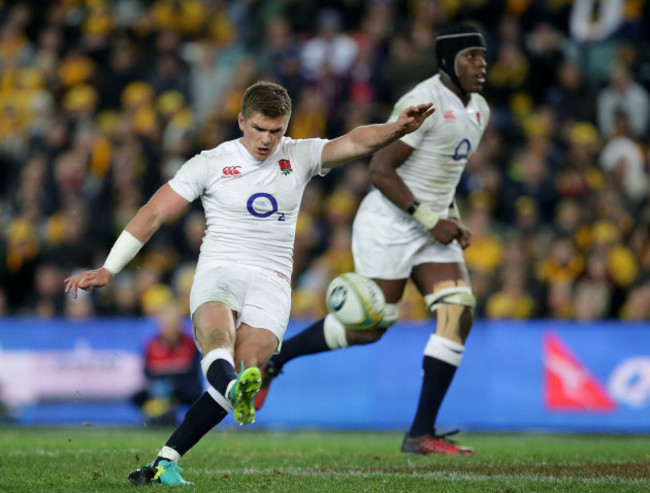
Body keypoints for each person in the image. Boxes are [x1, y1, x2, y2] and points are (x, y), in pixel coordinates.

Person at [64, 80, 433, 486]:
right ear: (241, 120)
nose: (266, 140)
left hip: (272, 282)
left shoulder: (300, 154)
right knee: (216, 334)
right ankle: (231, 391)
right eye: (258, 128)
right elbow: (153, 213)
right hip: (220, 269)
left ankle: (165, 461)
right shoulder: (209, 162)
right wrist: (109, 268)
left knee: (249, 365)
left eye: (276, 131)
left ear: (286, 127)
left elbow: (355, 142)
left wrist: (396, 129)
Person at [255, 24, 490, 456]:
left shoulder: (480, 110)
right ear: (446, 61)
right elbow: (380, 171)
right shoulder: (424, 103)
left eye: (483, 56)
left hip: (431, 226)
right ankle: (275, 360)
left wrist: (450, 218)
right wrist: (428, 217)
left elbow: (441, 175)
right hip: (390, 224)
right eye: (470, 56)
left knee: (459, 313)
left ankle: (421, 433)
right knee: (371, 328)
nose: (481, 64)